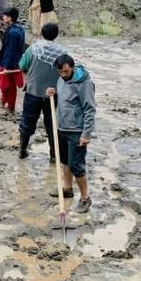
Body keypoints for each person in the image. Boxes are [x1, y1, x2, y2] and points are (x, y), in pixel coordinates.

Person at [46, 54, 95, 213]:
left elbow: (89, 109)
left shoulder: (84, 84)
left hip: (76, 131)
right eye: (60, 72)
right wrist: (53, 93)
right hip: (61, 127)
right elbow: (65, 98)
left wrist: (86, 134)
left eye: (66, 72)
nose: (63, 75)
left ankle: (85, 198)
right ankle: (67, 189)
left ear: (72, 68)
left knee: (76, 165)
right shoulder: (61, 79)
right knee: (65, 161)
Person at [18, 22, 66, 160]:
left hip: (33, 92)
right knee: (52, 124)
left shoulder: (33, 48)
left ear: (41, 33)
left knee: (27, 121)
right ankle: (53, 155)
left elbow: (22, 65)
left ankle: (22, 150)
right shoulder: (63, 53)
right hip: (53, 95)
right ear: (56, 35)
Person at [0, 7, 25, 113]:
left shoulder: (13, 33)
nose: (3, 17)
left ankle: (10, 106)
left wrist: (7, 67)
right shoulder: (19, 29)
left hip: (9, 63)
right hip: (14, 61)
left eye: (4, 16)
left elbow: (10, 50)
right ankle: (3, 101)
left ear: (9, 18)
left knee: (8, 85)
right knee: (6, 85)